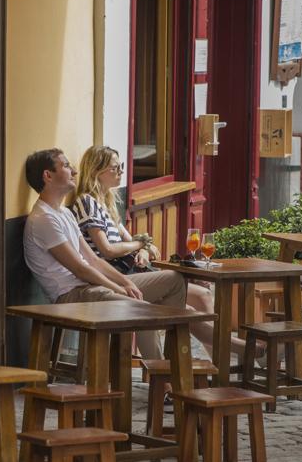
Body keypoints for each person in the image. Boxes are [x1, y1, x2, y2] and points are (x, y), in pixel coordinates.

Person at [66, 145, 251, 360]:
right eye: (115, 168)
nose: (121, 172)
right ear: (97, 171)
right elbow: (108, 250)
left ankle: (219, 360)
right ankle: (240, 353)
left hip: (131, 269)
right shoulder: (87, 202)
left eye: (121, 167)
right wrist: (139, 245)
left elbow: (137, 242)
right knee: (183, 300)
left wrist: (142, 248)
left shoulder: (107, 204)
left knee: (203, 296)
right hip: (115, 275)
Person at [22, 147, 186, 360]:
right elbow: (81, 269)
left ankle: (164, 365)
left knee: (174, 280)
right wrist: (119, 287)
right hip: (72, 295)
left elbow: (91, 259)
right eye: (66, 166)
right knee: (143, 310)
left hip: (92, 286)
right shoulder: (43, 218)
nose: (74, 171)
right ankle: (163, 384)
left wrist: (125, 283)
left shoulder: (63, 212)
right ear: (48, 175)